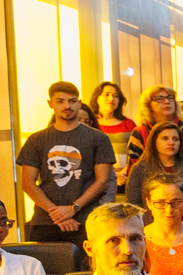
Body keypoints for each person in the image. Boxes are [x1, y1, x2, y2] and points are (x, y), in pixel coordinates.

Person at [17, 82, 115, 249]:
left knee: (87, 271)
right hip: (45, 221)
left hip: (86, 220)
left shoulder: (98, 138)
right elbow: (27, 183)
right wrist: (57, 213)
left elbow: (103, 180)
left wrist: (73, 208)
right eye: (60, 101)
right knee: (43, 272)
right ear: (50, 104)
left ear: (79, 103)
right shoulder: (36, 140)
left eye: (72, 101)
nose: (67, 106)